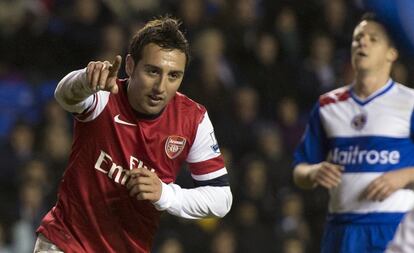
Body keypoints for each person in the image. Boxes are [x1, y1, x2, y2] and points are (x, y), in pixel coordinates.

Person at [33, 16, 232, 253]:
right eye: (152, 71)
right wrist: (86, 79)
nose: (161, 87)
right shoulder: (106, 94)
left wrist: (165, 194)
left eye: (173, 76)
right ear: (130, 65)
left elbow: (221, 199)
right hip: (66, 242)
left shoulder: (193, 119)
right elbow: (64, 95)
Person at [293, 13, 414, 253]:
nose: (362, 42)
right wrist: (314, 172)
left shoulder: (410, 102)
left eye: (373, 39)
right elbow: (299, 170)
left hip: (396, 228)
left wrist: (405, 175)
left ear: (392, 52)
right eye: (358, 38)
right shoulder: (328, 105)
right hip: (342, 231)